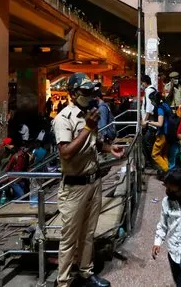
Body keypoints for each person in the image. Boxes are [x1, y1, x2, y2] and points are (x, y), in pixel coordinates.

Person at [53, 73, 124, 287]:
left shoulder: (88, 114)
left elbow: (93, 143)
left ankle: (86, 272)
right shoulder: (64, 118)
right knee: (69, 238)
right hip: (74, 187)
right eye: (85, 91)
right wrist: (87, 128)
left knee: (89, 233)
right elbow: (65, 152)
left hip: (94, 182)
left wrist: (109, 148)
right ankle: (63, 281)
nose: (91, 95)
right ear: (73, 93)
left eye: (91, 91)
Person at [142, 91, 172, 173]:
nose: (151, 102)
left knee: (155, 154)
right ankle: (168, 172)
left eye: (152, 100)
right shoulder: (166, 105)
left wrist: (148, 122)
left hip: (162, 134)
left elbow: (160, 123)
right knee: (164, 155)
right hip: (169, 134)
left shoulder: (159, 108)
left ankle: (168, 172)